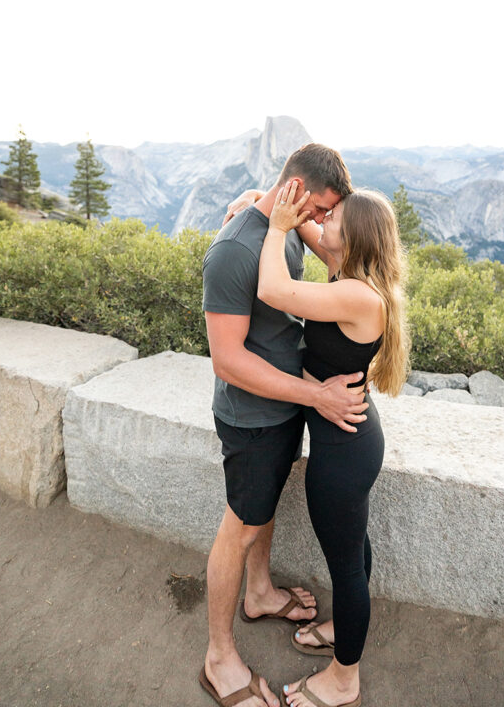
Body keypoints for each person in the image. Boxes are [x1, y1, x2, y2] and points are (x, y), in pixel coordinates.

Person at [200, 144, 370, 707]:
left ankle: (259, 593)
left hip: (284, 407)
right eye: (321, 210)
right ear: (296, 191)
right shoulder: (233, 252)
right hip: (251, 418)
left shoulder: (289, 224)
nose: (324, 225)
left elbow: (313, 256)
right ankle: (219, 656)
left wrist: (256, 199)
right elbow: (228, 360)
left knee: (263, 510)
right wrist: (315, 395)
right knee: (240, 526)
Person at [257, 180, 409, 707]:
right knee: (354, 552)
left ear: (355, 234)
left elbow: (273, 290)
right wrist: (267, 200)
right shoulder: (351, 269)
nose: (325, 218)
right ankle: (343, 633)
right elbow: (307, 224)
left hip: (342, 452)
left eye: (335, 215)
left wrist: (274, 229)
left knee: (345, 568)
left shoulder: (354, 293)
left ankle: (345, 680)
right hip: (351, 440)